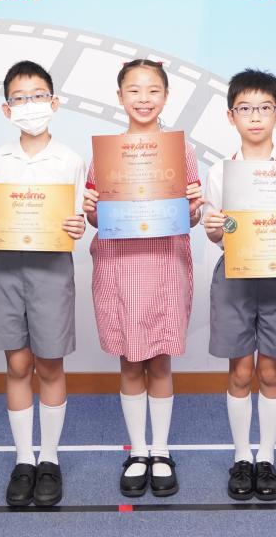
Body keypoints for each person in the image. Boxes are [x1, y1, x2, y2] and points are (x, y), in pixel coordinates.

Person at [200, 69, 276, 501]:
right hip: (235, 277)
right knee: (239, 371)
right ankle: (241, 457)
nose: (255, 116)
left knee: (270, 371)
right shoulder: (221, 171)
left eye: (264, 108)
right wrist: (213, 228)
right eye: (245, 108)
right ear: (230, 116)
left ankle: (266, 457)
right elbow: (218, 233)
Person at [81, 59, 203, 498]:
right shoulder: (105, 153)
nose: (144, 98)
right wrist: (92, 210)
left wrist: (194, 205)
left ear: (166, 97)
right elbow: (97, 218)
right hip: (120, 264)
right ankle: (137, 451)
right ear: (120, 97)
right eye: (134, 90)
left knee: (161, 359)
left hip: (165, 261)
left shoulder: (181, 151)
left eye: (153, 90)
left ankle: (161, 451)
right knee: (130, 360)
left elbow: (191, 217)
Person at [0, 61, 87, 507]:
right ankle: (24, 459)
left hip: (52, 269)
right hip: (5, 267)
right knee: (18, 364)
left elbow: (77, 218)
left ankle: (49, 459)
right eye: (19, 98)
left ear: (53, 103)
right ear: (7, 110)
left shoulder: (71, 160)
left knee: (50, 365)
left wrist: (77, 225)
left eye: (38, 96)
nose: (29, 105)